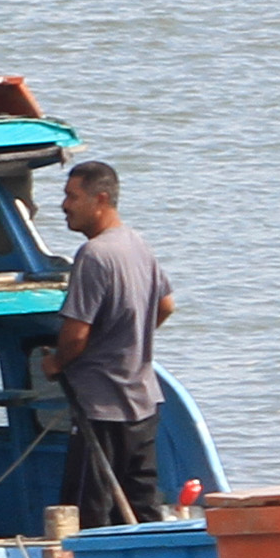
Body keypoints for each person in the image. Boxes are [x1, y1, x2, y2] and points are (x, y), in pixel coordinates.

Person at [46, 160, 177, 527]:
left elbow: (75, 336)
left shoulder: (94, 255)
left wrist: (56, 363)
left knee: (91, 512)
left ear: (100, 199)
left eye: (72, 196)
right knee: (142, 504)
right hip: (142, 401)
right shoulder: (137, 244)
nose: (64, 205)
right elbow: (165, 305)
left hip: (101, 407)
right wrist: (129, 340)